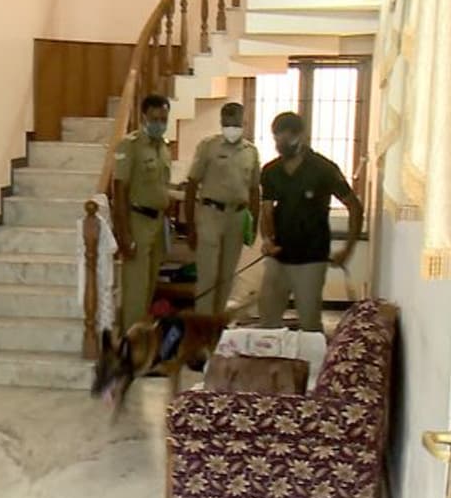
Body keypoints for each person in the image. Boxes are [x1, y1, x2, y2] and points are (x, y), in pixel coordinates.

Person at [258, 111, 364, 332]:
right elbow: (266, 210)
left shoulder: (323, 169)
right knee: (267, 321)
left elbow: (354, 207)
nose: (280, 144)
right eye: (277, 139)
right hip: (278, 257)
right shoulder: (271, 171)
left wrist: (348, 248)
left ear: (300, 136)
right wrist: (267, 239)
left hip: (311, 258)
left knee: (309, 324)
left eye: (286, 139)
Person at [184, 102, 261, 315]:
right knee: (208, 277)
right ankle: (203, 325)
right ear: (221, 122)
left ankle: (218, 325)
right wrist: (190, 226)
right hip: (211, 214)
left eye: (236, 124)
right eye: (227, 124)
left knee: (227, 276)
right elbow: (192, 185)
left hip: (237, 217)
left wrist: (254, 225)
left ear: (244, 122)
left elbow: (255, 189)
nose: (231, 128)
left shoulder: (251, 151)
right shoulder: (208, 146)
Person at [115, 94, 173, 331]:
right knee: (136, 292)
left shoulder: (164, 147)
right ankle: (129, 341)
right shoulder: (131, 145)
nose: (160, 124)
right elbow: (120, 190)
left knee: (149, 289)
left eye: (164, 119)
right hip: (137, 222)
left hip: (158, 223)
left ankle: (141, 339)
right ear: (144, 117)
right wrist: (124, 233)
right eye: (155, 119)